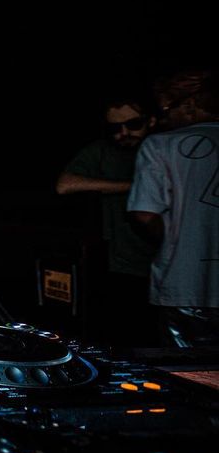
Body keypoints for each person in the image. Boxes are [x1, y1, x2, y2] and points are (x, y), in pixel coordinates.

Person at [55, 94, 157, 345]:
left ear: (152, 120)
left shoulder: (165, 147)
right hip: (125, 261)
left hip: (172, 258)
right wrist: (134, 187)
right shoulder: (103, 150)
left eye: (133, 124)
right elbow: (65, 185)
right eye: (115, 127)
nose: (124, 133)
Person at [128, 69, 219, 347]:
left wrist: (176, 239)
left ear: (190, 105)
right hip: (189, 288)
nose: (163, 119)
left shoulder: (160, 145)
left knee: (189, 369)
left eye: (165, 109)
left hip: (187, 286)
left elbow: (145, 214)